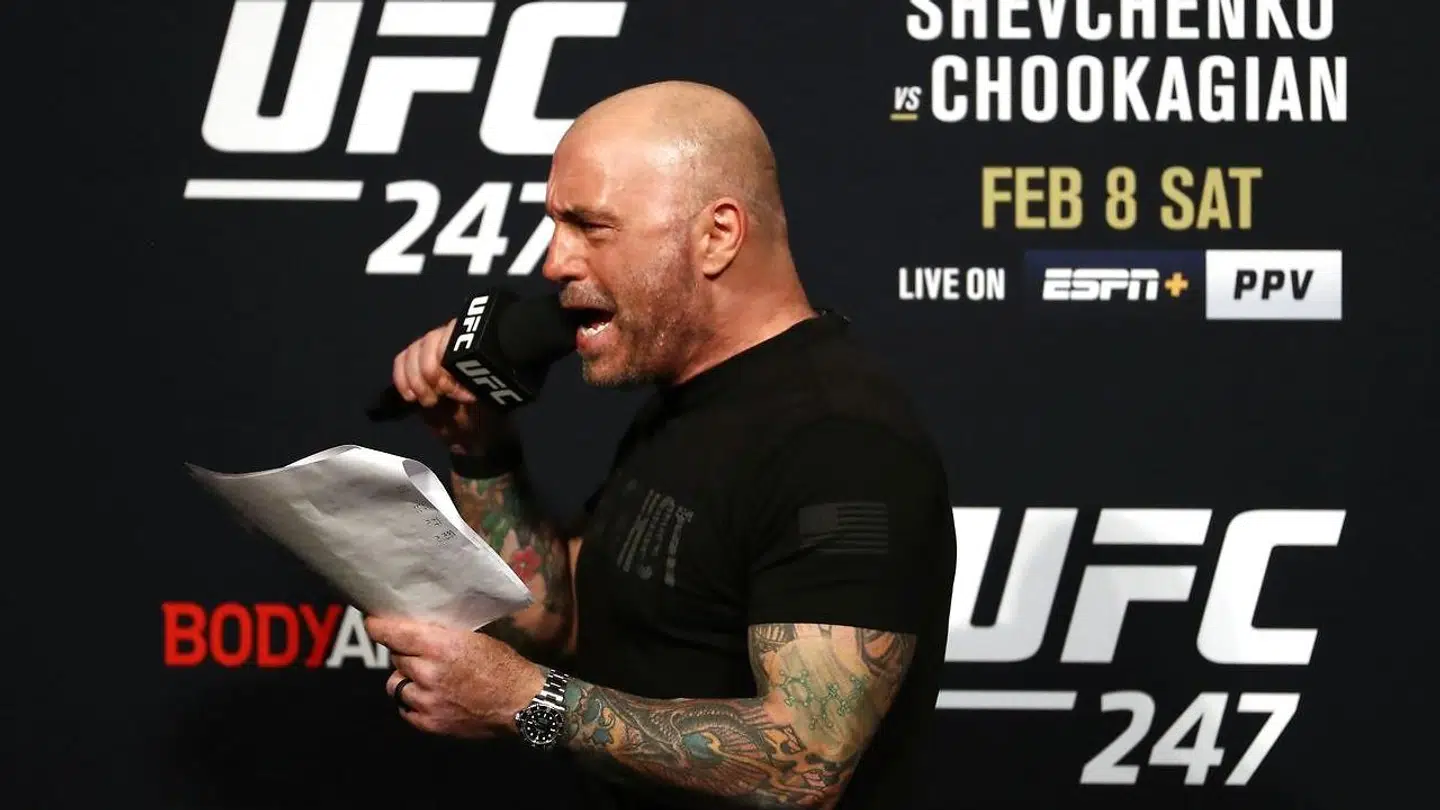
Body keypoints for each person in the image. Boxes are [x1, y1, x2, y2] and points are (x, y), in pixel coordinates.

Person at [364, 80, 958, 810]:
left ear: (718, 235)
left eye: (591, 227)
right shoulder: (691, 403)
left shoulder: (840, 444)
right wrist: (481, 447)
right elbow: (555, 623)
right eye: (556, 226)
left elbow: (805, 763)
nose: (554, 263)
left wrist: (527, 703)